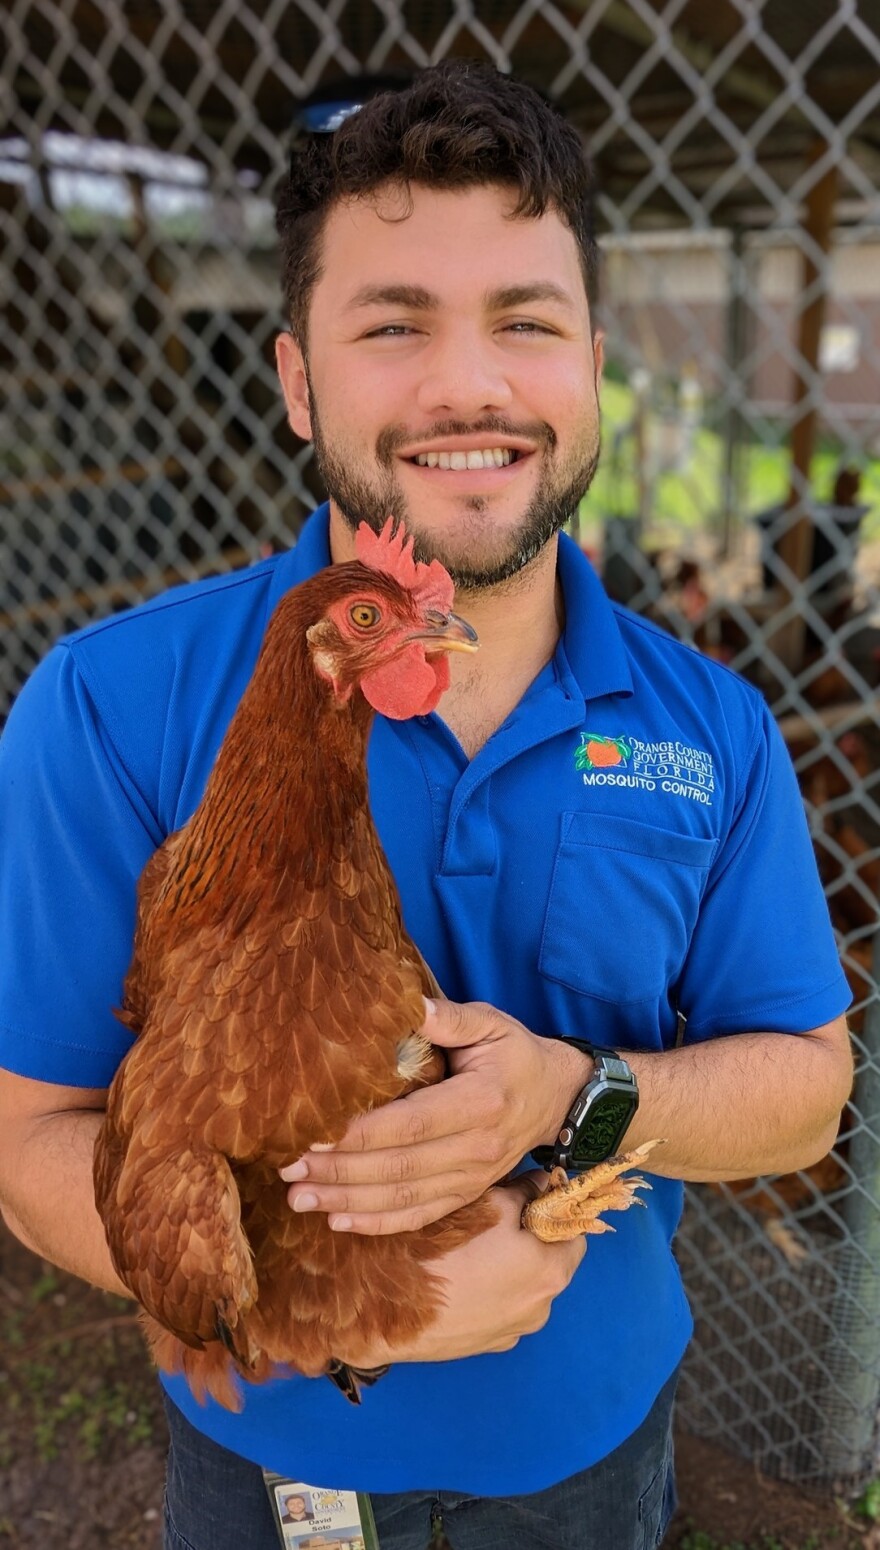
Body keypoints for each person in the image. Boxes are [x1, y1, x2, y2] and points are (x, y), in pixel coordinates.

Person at [0, 61, 853, 1550]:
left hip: (595, 1447)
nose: (470, 385)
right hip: (271, 1461)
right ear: (294, 379)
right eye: (393, 324)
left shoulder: (713, 727)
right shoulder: (107, 707)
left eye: (526, 320)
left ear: (594, 360)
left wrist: (581, 1096)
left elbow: (803, 1091)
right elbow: (29, 1141)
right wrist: (344, 1310)